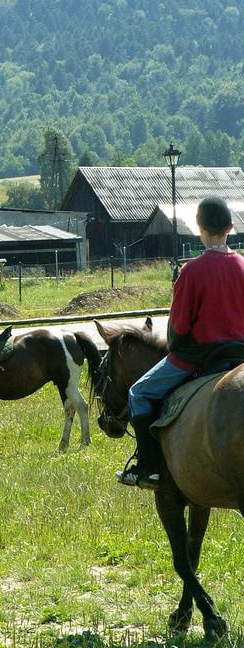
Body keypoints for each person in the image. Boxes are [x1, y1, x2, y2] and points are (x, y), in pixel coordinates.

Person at [116, 196, 244, 491]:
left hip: (200, 355)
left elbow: (179, 328)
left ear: (198, 227)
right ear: (230, 226)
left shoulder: (193, 270)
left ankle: (149, 469)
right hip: (241, 353)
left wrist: (174, 344)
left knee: (139, 392)